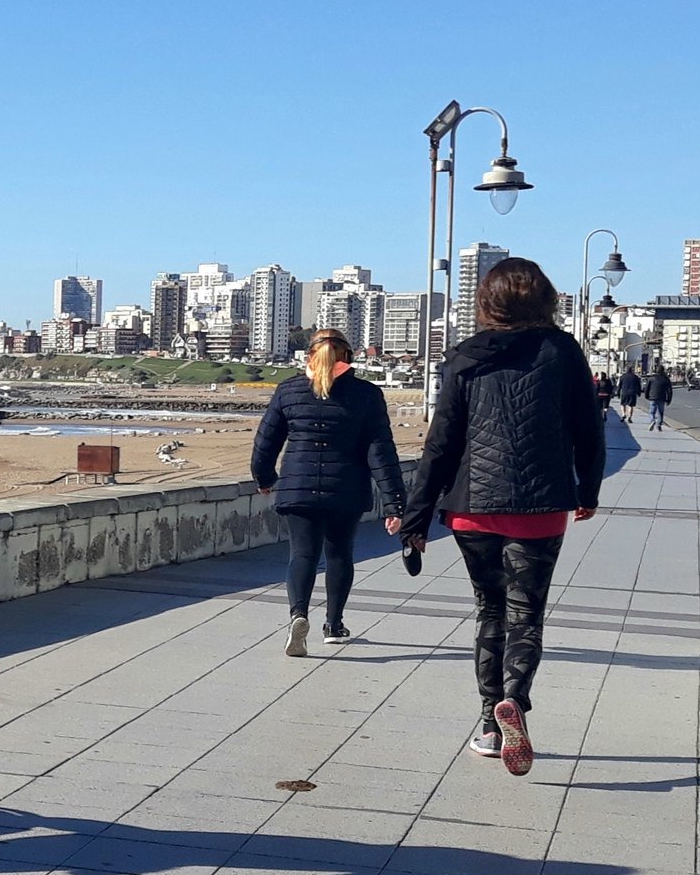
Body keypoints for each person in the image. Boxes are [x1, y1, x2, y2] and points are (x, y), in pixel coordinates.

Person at [401, 257, 605, 778]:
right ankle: (515, 699)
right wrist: (588, 490)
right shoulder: (562, 351)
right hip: (540, 507)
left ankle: (490, 726)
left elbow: (440, 445)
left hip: (473, 507)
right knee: (526, 615)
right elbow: (588, 428)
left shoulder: (464, 358)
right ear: (544, 298)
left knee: (489, 611)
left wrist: (415, 519)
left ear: (487, 303)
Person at [251, 328, 405, 657]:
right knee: (339, 555)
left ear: (309, 356)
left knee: (302, 555)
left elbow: (266, 441)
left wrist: (264, 477)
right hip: (346, 489)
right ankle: (333, 625)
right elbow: (380, 452)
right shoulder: (366, 394)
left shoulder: (289, 390)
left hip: (298, 487)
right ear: (348, 356)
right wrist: (394, 503)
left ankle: (299, 614)